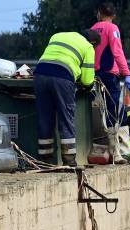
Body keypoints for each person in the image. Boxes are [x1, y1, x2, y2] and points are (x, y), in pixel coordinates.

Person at [34, 30, 100, 166]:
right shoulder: (88, 47)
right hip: (62, 77)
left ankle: (44, 159)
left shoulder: (56, 35)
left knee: (44, 117)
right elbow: (87, 80)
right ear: (93, 43)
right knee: (66, 117)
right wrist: (87, 85)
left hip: (39, 74)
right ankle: (69, 160)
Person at [91, 2, 130, 126]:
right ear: (114, 15)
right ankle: (122, 143)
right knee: (117, 111)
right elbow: (117, 52)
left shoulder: (92, 29)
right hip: (110, 74)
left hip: (95, 75)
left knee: (106, 112)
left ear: (99, 13)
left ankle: (112, 141)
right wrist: (127, 74)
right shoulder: (112, 28)